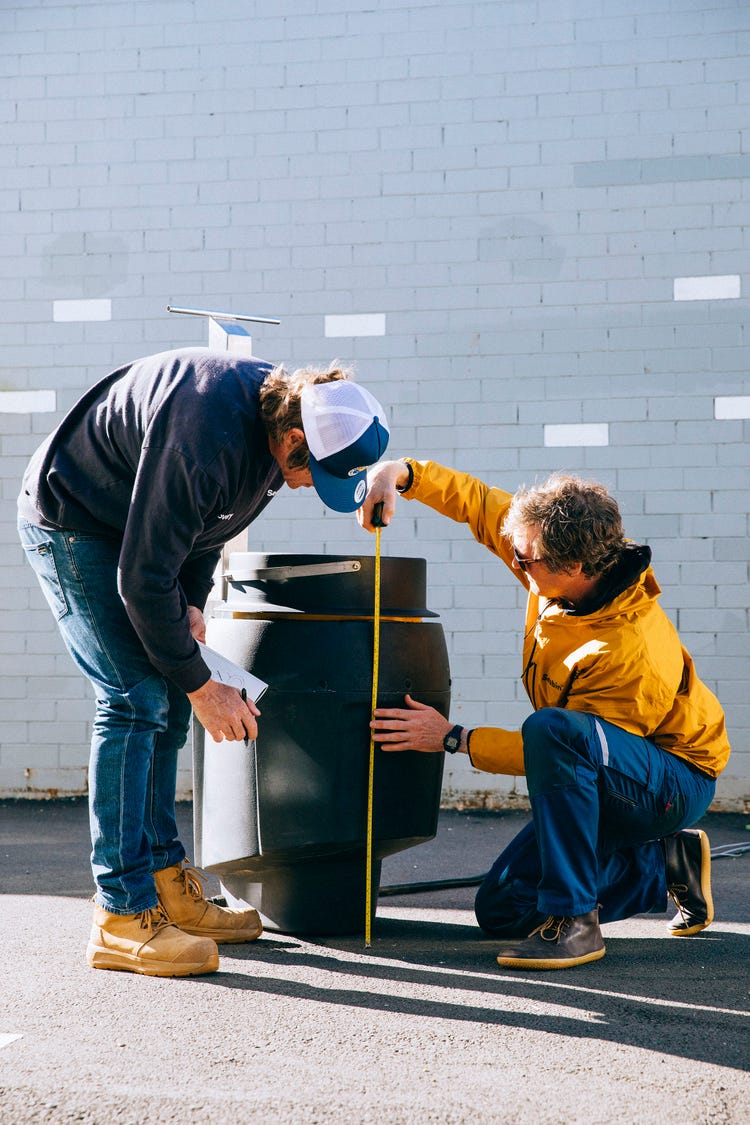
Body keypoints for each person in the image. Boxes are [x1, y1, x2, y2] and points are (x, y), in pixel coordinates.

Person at [18, 348, 389, 977]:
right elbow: (141, 577)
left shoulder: (276, 439)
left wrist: (190, 607)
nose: (307, 486)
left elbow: (205, 530)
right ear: (294, 437)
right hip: (74, 519)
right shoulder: (203, 438)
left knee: (164, 687)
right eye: (314, 472)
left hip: (138, 533)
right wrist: (201, 684)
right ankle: (120, 915)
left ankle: (165, 885)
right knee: (135, 697)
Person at [360, 458, 730, 970]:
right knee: (502, 909)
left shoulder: (624, 649)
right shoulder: (544, 556)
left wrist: (453, 738)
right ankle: (662, 863)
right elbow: (478, 504)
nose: (515, 559)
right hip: (604, 760)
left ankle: (577, 923)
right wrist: (401, 474)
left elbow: (568, 751)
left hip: (668, 781)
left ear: (574, 567)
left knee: (554, 731)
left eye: (525, 558)